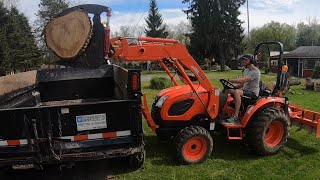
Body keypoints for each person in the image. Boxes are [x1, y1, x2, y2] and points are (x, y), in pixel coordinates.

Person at [224, 54, 261, 123]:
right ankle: (222, 110)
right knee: (227, 90)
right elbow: (242, 84)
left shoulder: (256, 72)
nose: (244, 61)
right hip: (244, 90)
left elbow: (243, 80)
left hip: (253, 93)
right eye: (244, 59)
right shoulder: (246, 70)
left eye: (246, 59)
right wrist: (232, 86)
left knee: (237, 92)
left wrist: (231, 80)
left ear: (251, 60)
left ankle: (235, 116)